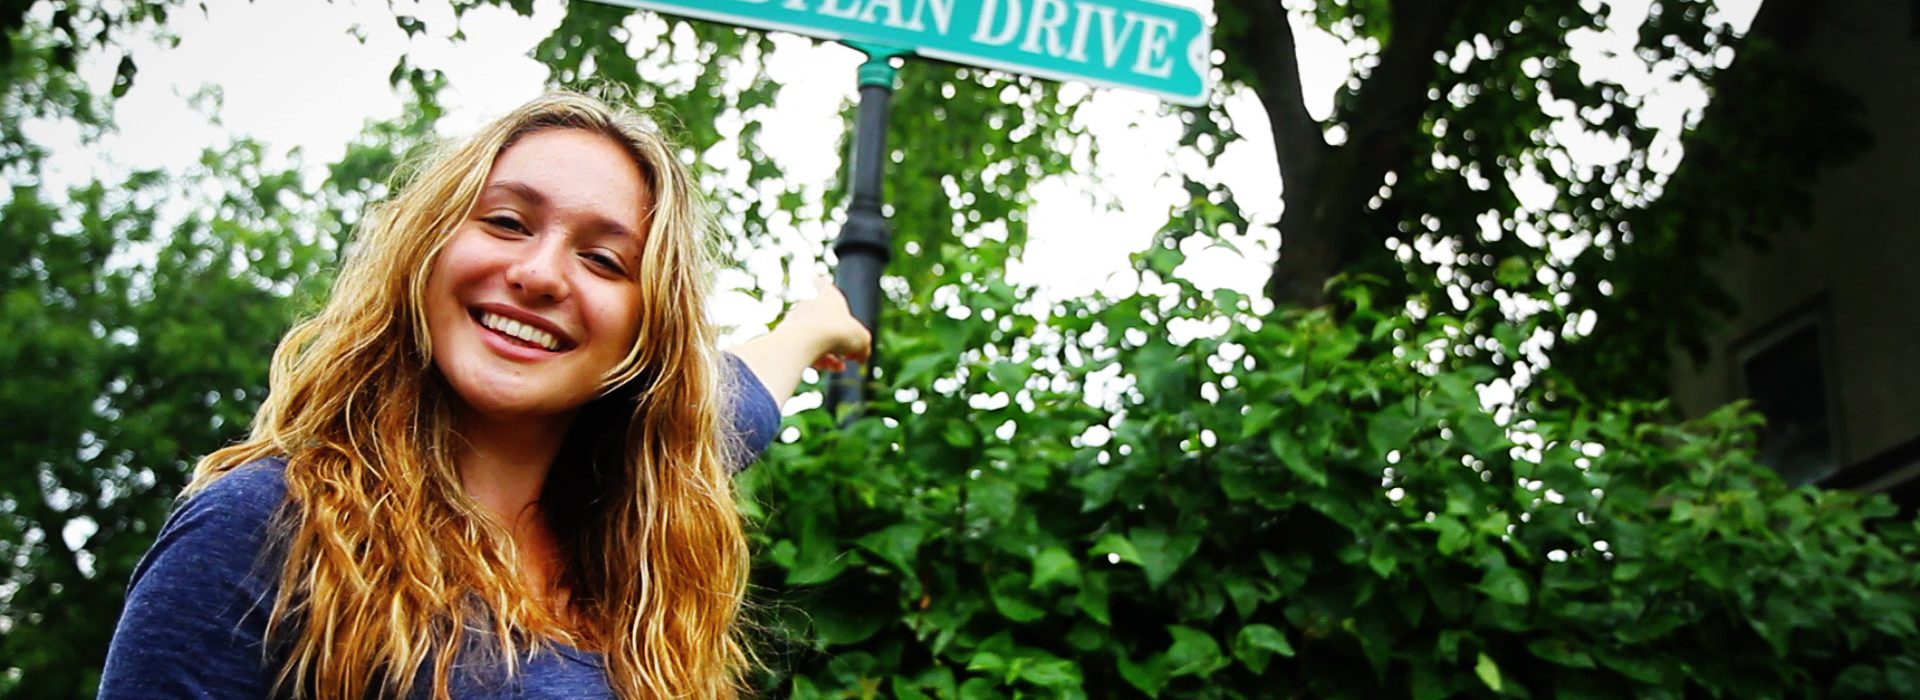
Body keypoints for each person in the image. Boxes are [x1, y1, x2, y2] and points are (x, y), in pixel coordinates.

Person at [97, 92, 872, 699]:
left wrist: (816, 327)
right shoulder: (270, 526)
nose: (539, 273)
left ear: (646, 339)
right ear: (427, 249)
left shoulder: (640, 531)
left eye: (604, 260)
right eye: (506, 221)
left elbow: (742, 394)